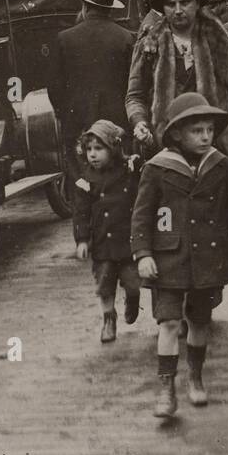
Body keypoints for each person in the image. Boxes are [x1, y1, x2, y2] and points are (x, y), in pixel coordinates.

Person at [131, 93, 228, 418]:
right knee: (170, 321)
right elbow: (141, 215)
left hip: (207, 259)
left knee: (200, 321)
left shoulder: (221, 164)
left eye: (209, 130)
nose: (205, 137)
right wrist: (143, 253)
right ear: (176, 134)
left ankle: (196, 376)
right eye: (196, 131)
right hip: (168, 258)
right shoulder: (157, 169)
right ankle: (166, 388)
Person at [126, 0, 228, 159]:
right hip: (166, 146)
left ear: (197, 4)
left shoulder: (219, 38)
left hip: (216, 145)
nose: (177, 10)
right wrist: (139, 122)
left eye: (184, 2)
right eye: (171, 4)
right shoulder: (149, 44)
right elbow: (135, 95)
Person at [46, 0, 134, 184]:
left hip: (77, 121)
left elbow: (54, 85)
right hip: (117, 121)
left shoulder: (64, 38)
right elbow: (133, 83)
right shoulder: (126, 38)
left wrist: (64, 113)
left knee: (81, 182)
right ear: (110, 9)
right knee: (118, 181)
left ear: (85, 6)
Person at [71, 120, 141, 343]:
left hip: (127, 242)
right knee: (104, 284)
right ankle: (108, 319)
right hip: (102, 243)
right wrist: (82, 240)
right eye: (89, 149)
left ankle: (133, 298)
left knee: (133, 281)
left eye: (99, 149)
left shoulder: (127, 172)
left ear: (113, 149)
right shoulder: (86, 181)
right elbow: (81, 212)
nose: (93, 154)